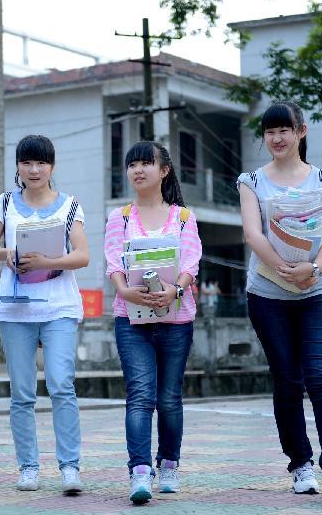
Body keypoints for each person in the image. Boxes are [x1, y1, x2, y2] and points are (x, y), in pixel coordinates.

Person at [237, 101, 322, 500]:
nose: (277, 138)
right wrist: (286, 271)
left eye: (285, 130)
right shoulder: (251, 180)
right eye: (270, 132)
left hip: (318, 291)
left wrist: (314, 269)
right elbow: (253, 234)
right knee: (288, 381)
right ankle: (301, 465)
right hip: (268, 294)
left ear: (301, 132)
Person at [0, 134, 89, 495]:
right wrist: (8, 253)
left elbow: (83, 255)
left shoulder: (69, 205)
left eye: (41, 162)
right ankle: (28, 467)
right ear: (18, 166)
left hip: (59, 307)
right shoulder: (6, 203)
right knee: (22, 394)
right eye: (27, 162)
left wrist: (49, 262)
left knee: (61, 384)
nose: (34, 169)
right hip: (15, 309)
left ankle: (70, 467)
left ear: (52, 166)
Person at [104, 141, 202, 504]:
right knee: (140, 396)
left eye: (147, 163)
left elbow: (191, 263)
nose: (138, 170)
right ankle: (140, 470)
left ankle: (170, 463)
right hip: (131, 320)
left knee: (170, 398)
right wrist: (125, 293)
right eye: (132, 164)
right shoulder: (120, 217)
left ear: (164, 171)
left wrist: (175, 290)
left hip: (177, 318)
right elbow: (114, 262)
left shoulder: (183, 218)